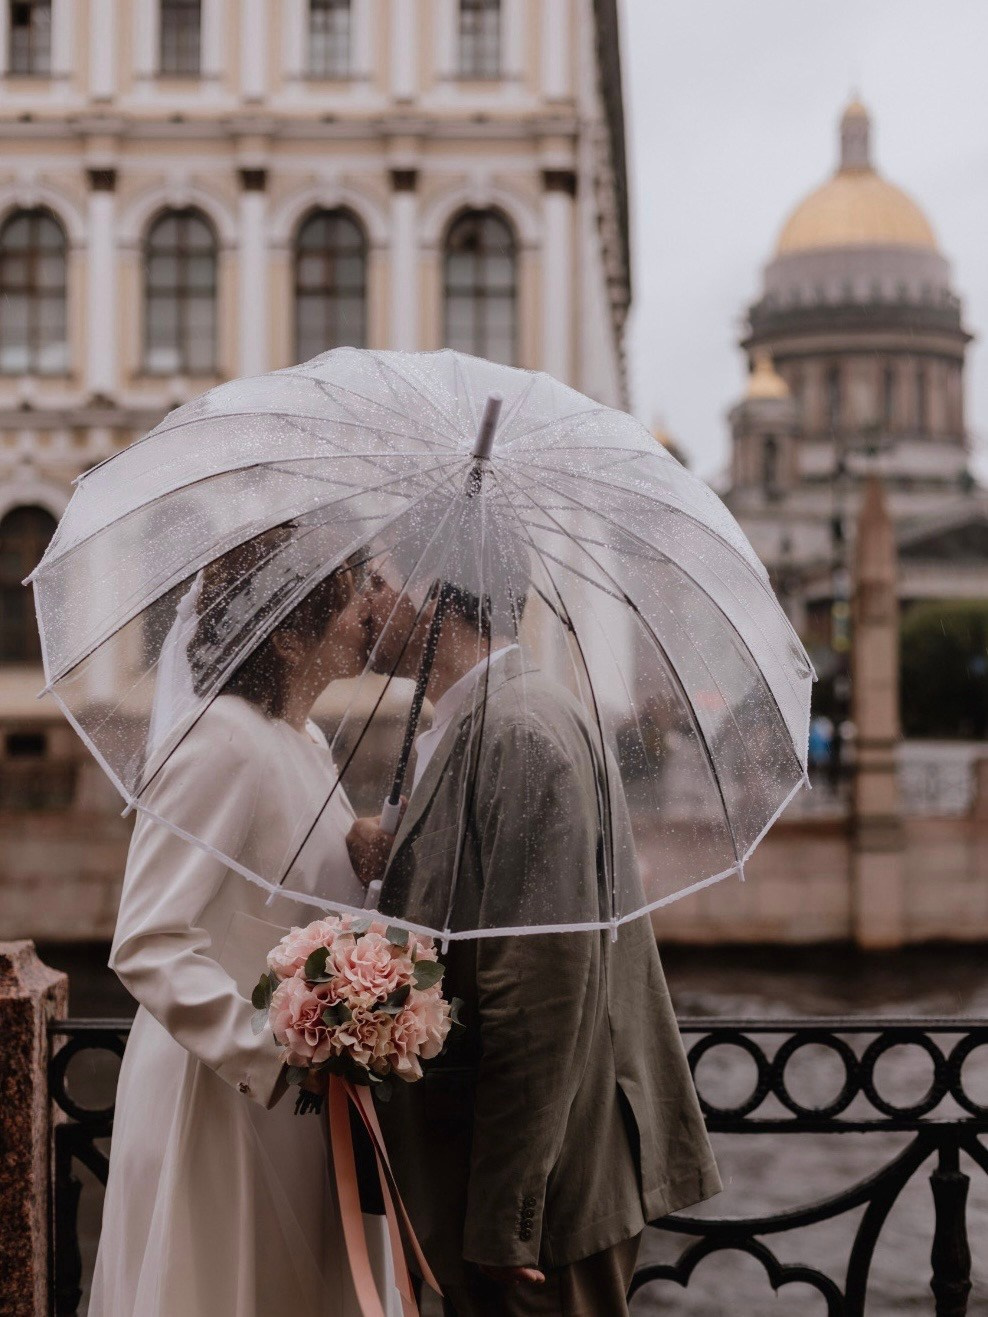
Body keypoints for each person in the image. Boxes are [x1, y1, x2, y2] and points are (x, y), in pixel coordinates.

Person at [347, 565, 721, 1317]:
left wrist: (504, 1218)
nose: (364, 602)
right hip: (502, 1174)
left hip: (538, 1204)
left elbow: (539, 991)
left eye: (381, 580)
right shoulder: (468, 721)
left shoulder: (519, 731)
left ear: (434, 594)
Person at [89, 533, 399, 1317]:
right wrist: (270, 1048)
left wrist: (354, 847)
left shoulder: (305, 742)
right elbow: (149, 937)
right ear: (292, 628)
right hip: (222, 1100)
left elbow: (283, 888)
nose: (371, 606)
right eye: (350, 593)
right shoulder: (220, 739)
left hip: (292, 1101)